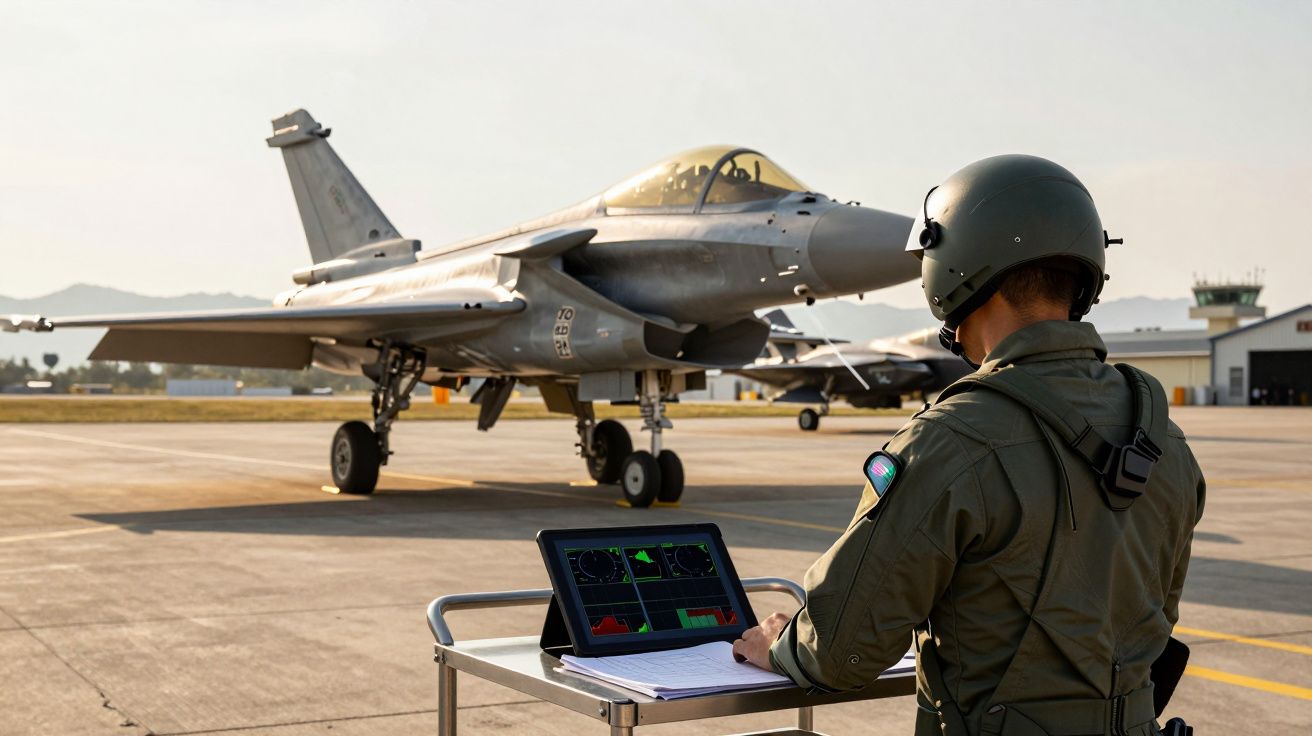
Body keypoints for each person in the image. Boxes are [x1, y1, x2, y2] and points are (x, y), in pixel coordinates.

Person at [732, 155, 1206, 735]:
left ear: (950, 262)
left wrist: (784, 643)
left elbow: (842, 651)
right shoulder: (1162, 437)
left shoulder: (949, 442)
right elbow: (1154, 620)